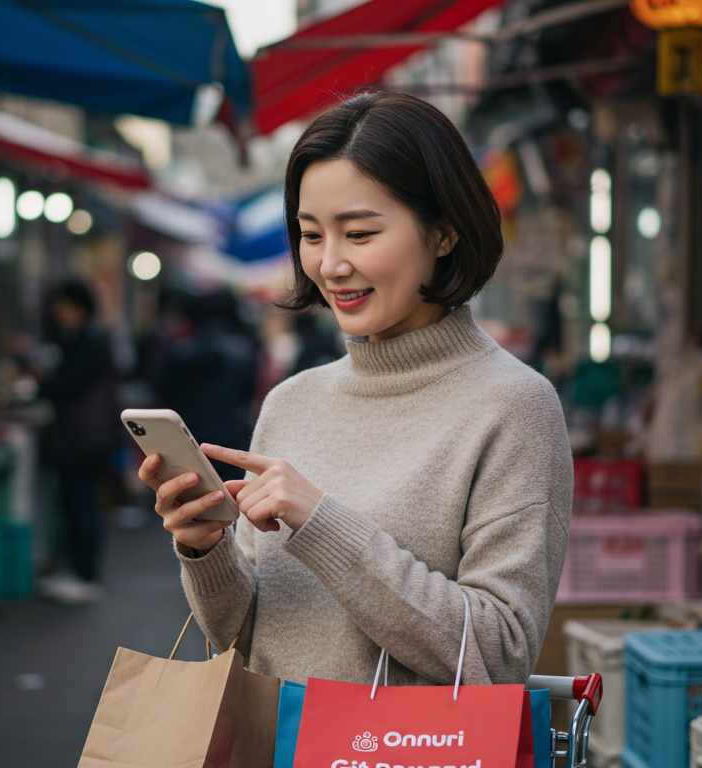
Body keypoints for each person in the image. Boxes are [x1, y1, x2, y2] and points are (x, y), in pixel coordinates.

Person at [139, 92, 572, 689]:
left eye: (360, 233)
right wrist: (204, 548)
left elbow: (497, 654)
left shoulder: (514, 406)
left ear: (443, 233)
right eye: (311, 235)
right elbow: (244, 640)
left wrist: (321, 522)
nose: (331, 264)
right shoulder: (292, 402)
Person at [37, 279, 120, 604]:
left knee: (81, 505)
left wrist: (40, 380)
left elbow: (66, 385)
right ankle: (79, 572)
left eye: (65, 308)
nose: (60, 314)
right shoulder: (89, 340)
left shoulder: (89, 342)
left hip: (82, 441)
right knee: (79, 504)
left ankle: (85, 574)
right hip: (87, 439)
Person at [154, 289, 260, 481]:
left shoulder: (182, 350)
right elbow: (249, 389)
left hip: (191, 434)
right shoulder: (244, 347)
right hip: (234, 433)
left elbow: (163, 390)